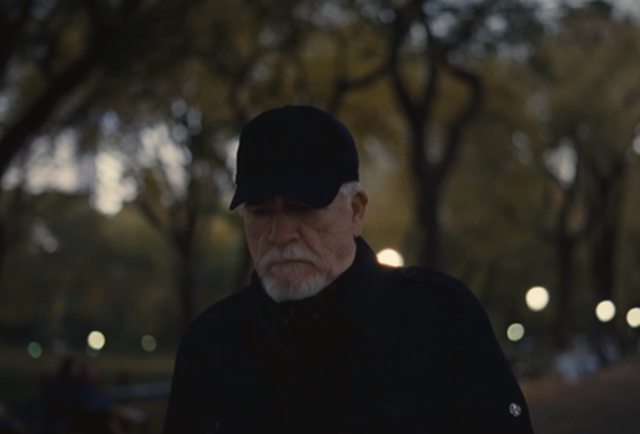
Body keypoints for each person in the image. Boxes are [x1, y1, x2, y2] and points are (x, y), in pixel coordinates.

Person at [164, 105, 534, 434]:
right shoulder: (211, 346)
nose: (280, 233)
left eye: (303, 208)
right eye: (261, 212)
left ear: (356, 210)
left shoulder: (440, 322)